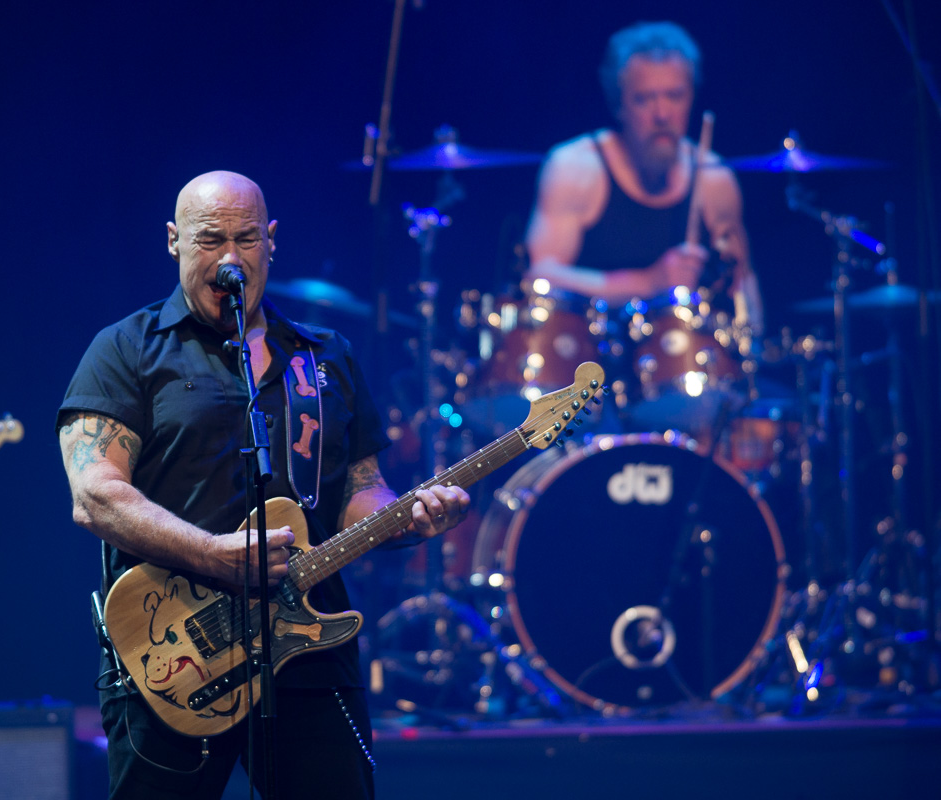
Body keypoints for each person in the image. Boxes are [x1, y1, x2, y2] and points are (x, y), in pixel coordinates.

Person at [57, 171, 470, 799]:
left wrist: (408, 518)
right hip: (174, 654)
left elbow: (359, 492)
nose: (230, 258)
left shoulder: (323, 356)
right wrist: (212, 554)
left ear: (271, 240)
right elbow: (94, 497)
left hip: (307, 651)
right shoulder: (125, 349)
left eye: (246, 239)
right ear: (173, 240)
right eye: (209, 239)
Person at [525, 20, 763, 330]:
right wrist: (648, 282)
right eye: (644, 98)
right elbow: (539, 276)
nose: (662, 114)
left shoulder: (714, 178)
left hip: (683, 352)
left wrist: (750, 346)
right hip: (587, 352)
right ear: (618, 105)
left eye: (675, 96)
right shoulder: (575, 168)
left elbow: (743, 285)